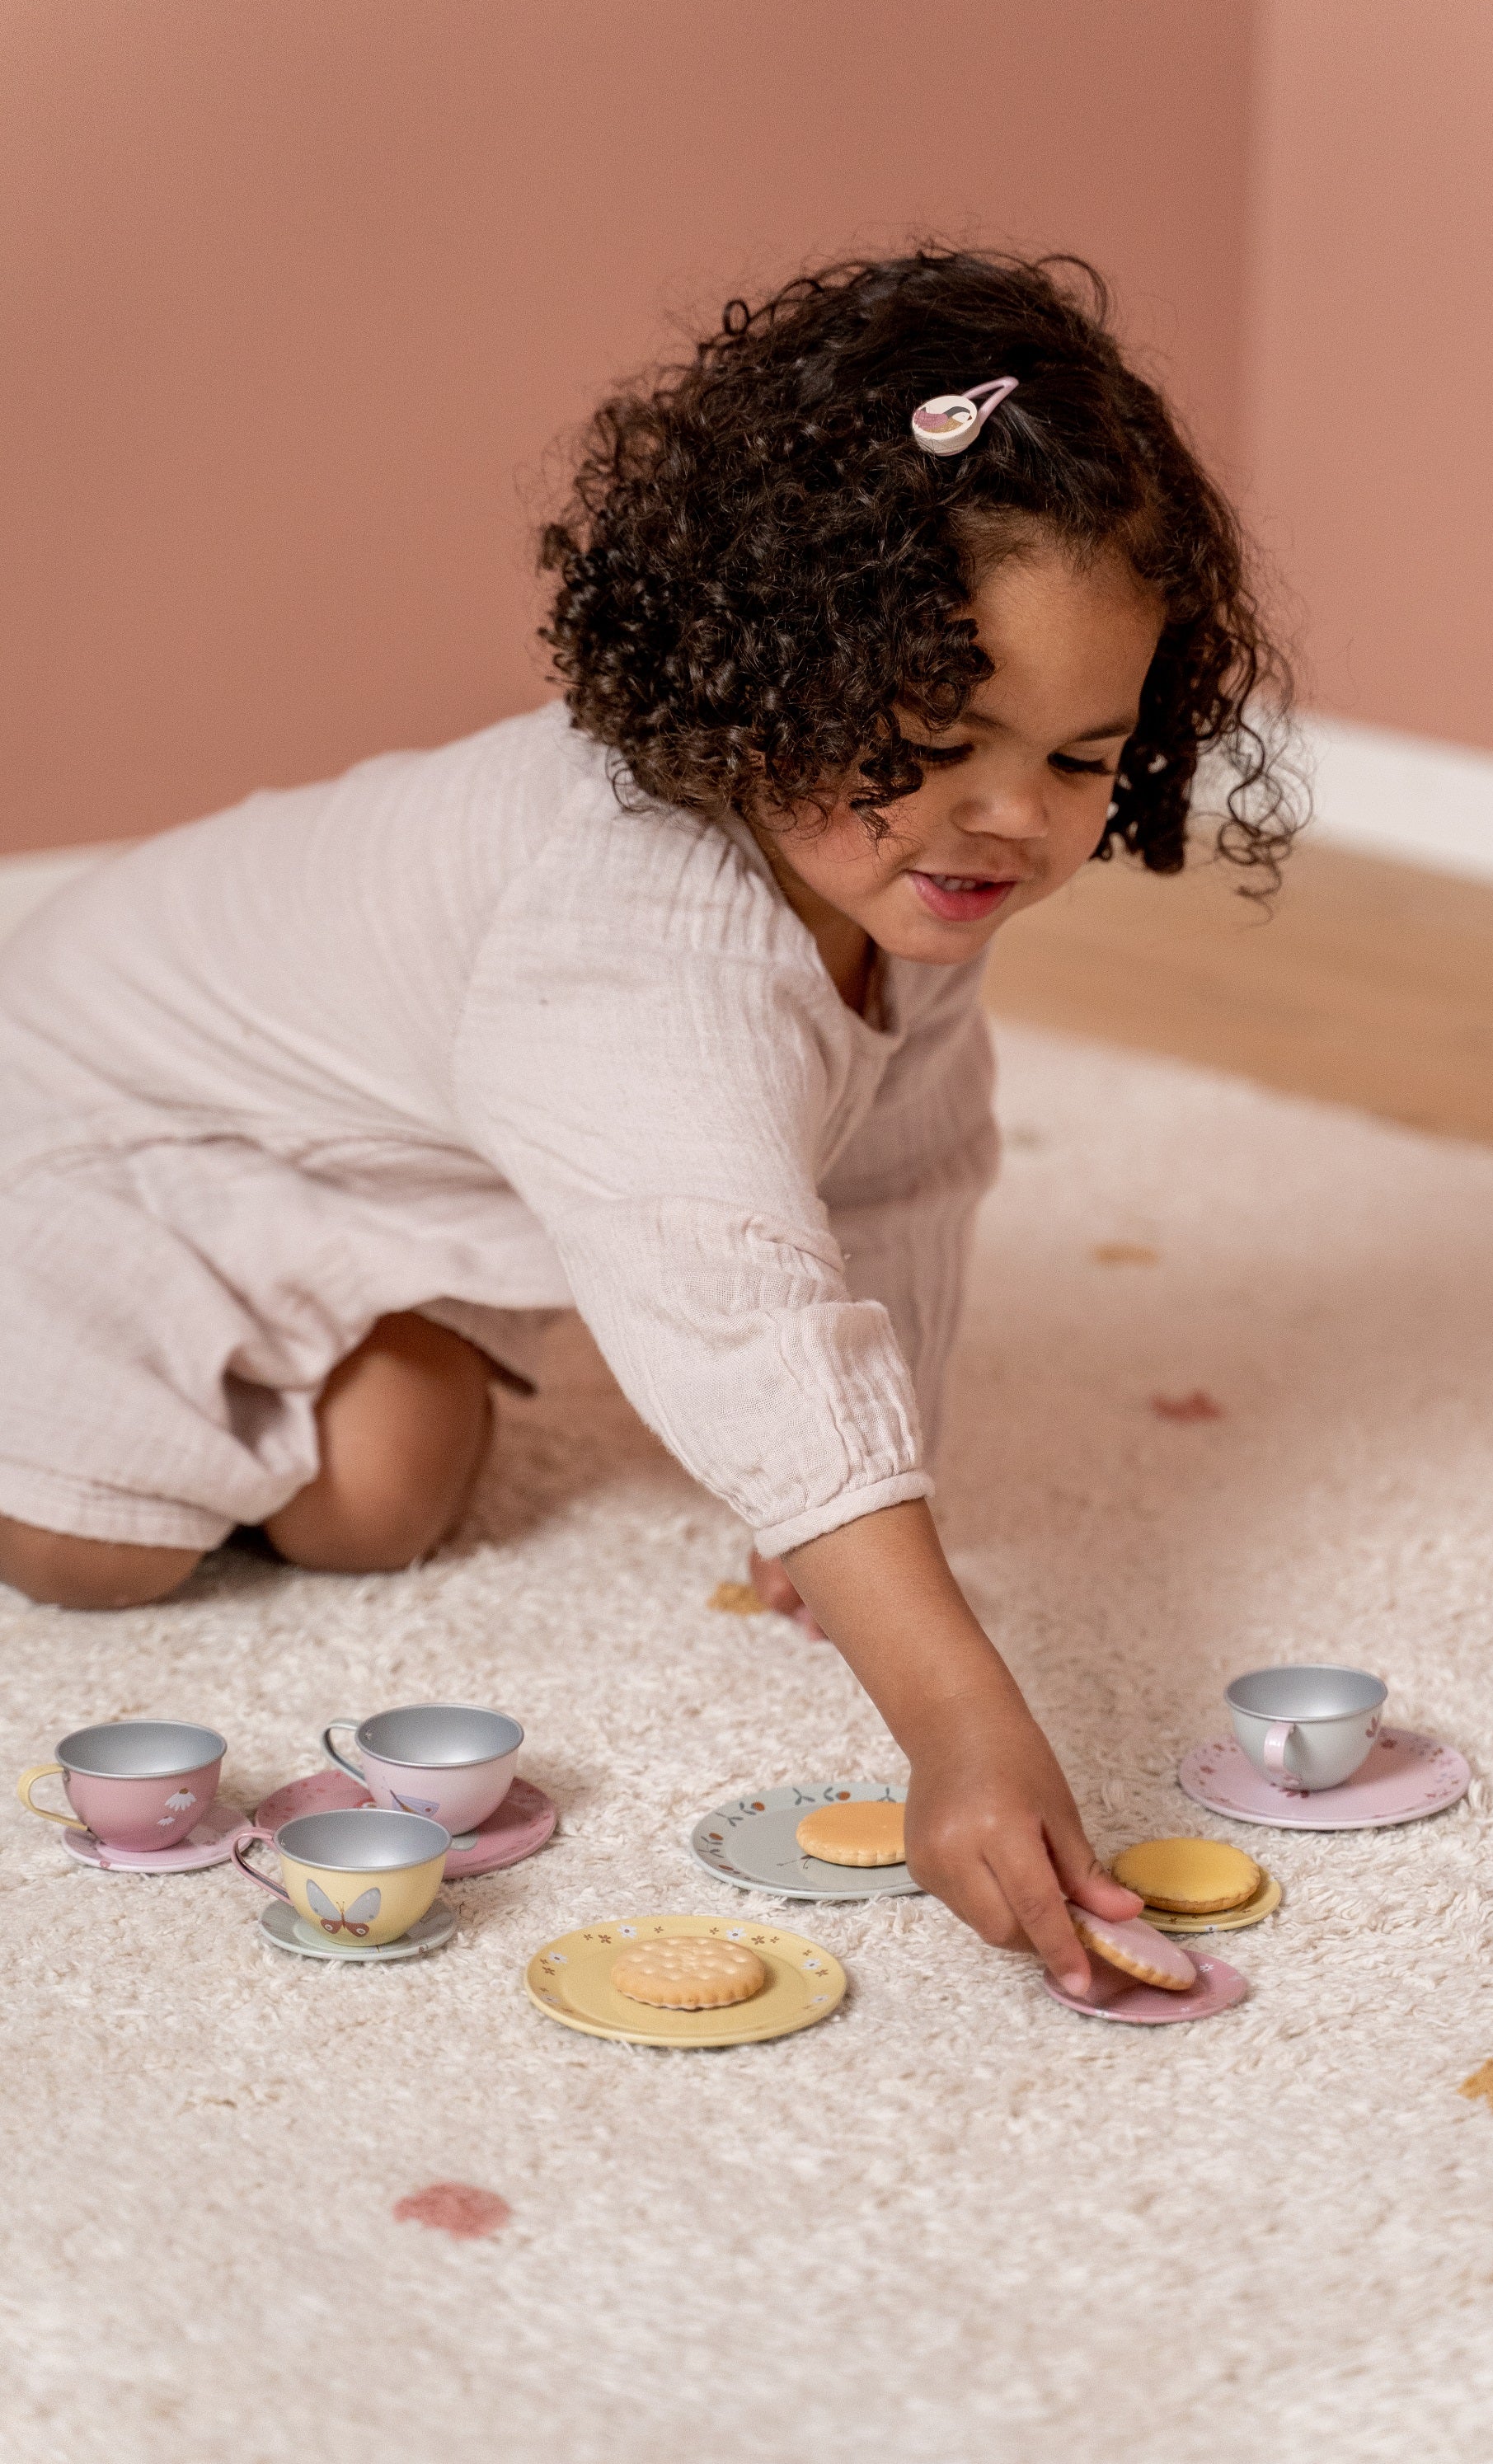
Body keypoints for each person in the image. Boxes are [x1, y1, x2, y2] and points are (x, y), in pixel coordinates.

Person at [0, 249, 1290, 1991]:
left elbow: (902, 1170)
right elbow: (735, 1303)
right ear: (761, 671)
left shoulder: (905, 874)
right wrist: (954, 1711)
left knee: (382, 1496)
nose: (1005, 820)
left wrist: (836, 1503)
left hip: (312, 1161)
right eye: (934, 737)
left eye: (1078, 757)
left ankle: (244, 1341)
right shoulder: (629, 942)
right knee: (101, 1547)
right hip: (73, 1103)